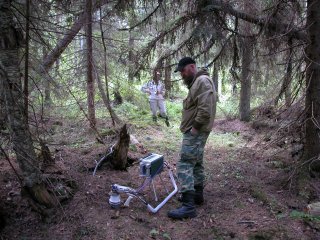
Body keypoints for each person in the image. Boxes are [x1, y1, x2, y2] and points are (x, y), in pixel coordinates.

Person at [167, 57, 217, 219]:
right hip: (196, 130)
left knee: (185, 163)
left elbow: (205, 109)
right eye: (180, 71)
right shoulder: (196, 82)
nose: (182, 73)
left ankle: (188, 206)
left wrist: (194, 129)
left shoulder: (202, 81)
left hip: (196, 130)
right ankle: (197, 195)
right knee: (196, 161)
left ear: (192, 67)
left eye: (183, 70)